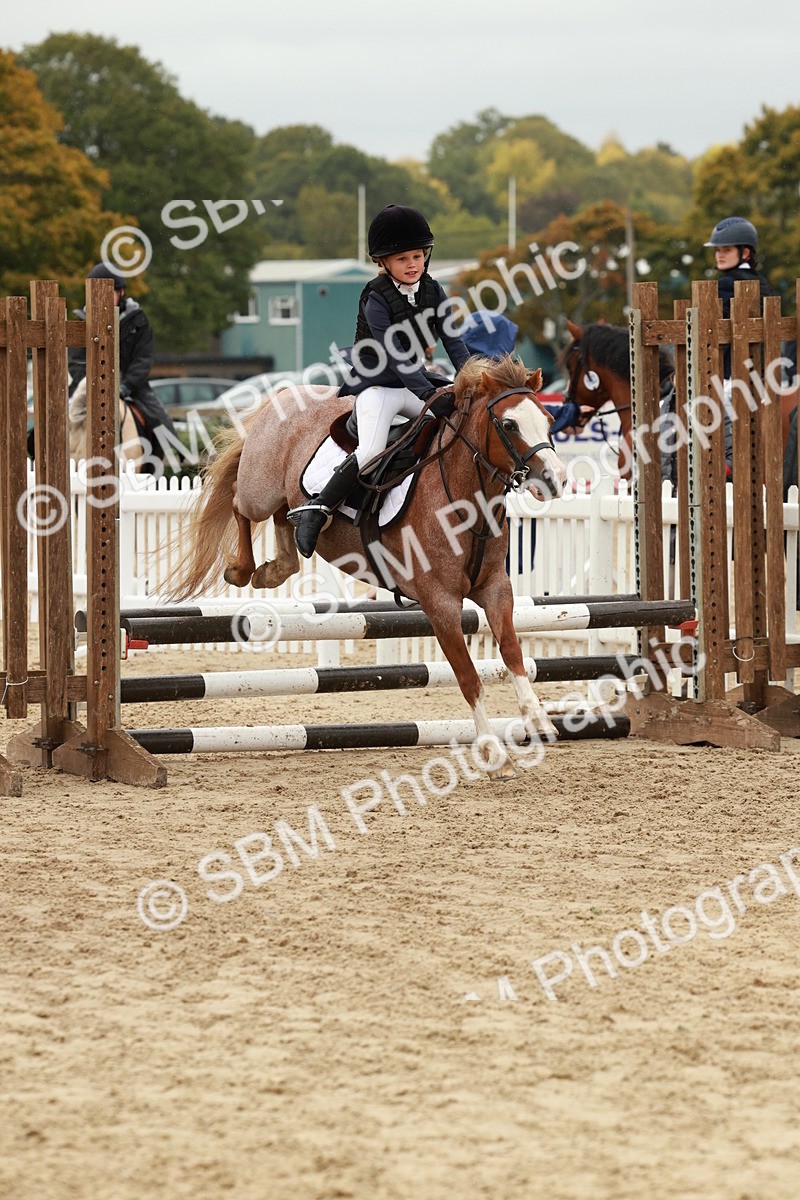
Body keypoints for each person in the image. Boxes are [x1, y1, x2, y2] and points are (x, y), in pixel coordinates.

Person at [288, 204, 472, 558]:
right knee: (371, 449)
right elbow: (396, 356)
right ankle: (317, 510)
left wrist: (471, 380)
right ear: (383, 262)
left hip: (413, 381)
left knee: (461, 425)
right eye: (402, 258)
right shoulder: (375, 296)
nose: (413, 264)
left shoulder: (433, 291)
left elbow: (453, 342)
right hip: (378, 384)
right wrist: (432, 393)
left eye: (418, 256)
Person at [66, 264, 176, 473]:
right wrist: (92, 384)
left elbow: (142, 359)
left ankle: (160, 458)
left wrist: (124, 386)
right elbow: (76, 362)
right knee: (54, 417)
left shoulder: (138, 320)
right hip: (86, 385)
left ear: (121, 292)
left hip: (131, 386)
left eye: (110, 293)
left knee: (160, 421)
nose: (103, 299)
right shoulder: (81, 321)